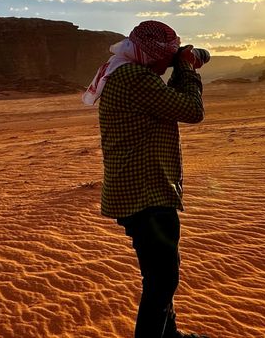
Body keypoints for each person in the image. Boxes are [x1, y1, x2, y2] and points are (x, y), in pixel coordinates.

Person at [83, 20, 208, 338]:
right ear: (151, 57)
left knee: (160, 275)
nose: (167, 64)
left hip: (140, 192)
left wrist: (179, 68)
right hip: (145, 194)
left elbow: (170, 105)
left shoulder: (123, 72)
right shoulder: (134, 78)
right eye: (166, 59)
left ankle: (171, 336)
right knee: (161, 280)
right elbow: (192, 110)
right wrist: (188, 70)